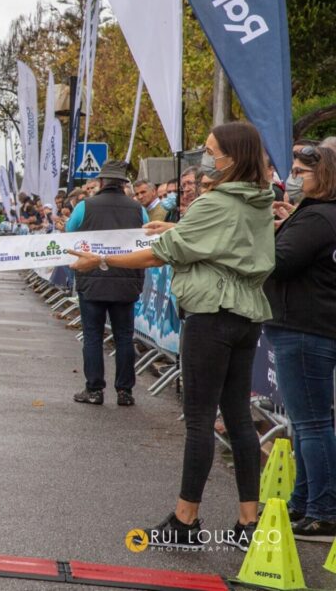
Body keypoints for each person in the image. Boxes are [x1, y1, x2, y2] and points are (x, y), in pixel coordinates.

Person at [69, 122, 275, 551]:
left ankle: (185, 520)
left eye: (211, 150)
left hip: (210, 315)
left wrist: (100, 262)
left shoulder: (214, 202)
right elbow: (213, 243)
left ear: (232, 158)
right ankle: (247, 521)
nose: (204, 158)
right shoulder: (257, 201)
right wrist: (174, 232)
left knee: (199, 418)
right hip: (246, 316)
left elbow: (160, 255)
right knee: (237, 417)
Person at [265, 145, 336, 542]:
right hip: (307, 326)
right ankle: (305, 501)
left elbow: (279, 261)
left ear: (321, 176)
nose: (292, 178)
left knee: (311, 424)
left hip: (305, 328)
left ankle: (324, 510)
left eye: (299, 172)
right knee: (306, 423)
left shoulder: (317, 217)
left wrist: (267, 238)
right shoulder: (314, 216)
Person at [65, 161, 149, 407]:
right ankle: (125, 392)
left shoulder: (84, 206)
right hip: (126, 280)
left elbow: (70, 232)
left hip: (92, 280)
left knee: (92, 336)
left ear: (101, 182)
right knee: (124, 337)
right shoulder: (138, 209)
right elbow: (145, 236)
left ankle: (94, 390)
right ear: (124, 184)